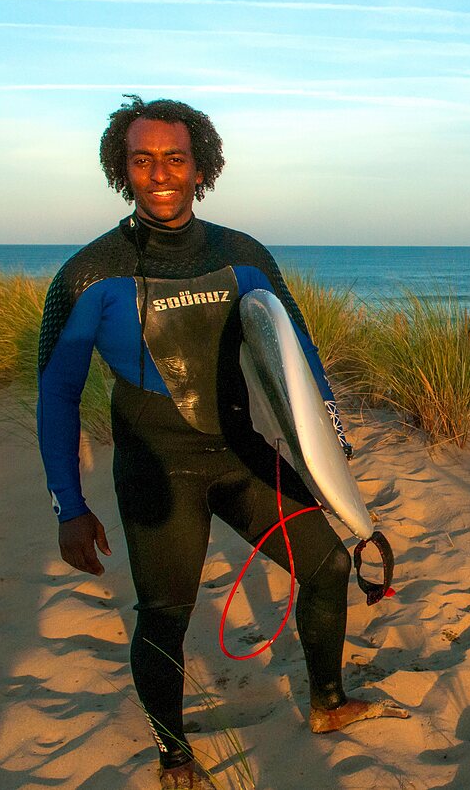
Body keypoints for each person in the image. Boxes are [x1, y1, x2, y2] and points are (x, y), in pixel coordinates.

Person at [36, 96, 407, 788]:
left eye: (175, 158)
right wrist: (68, 504)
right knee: (166, 614)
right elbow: (55, 395)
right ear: (123, 170)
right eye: (142, 160)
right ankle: (174, 753)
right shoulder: (90, 274)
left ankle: (327, 702)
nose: (160, 173)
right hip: (159, 468)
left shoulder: (244, 255)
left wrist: (327, 440)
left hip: (244, 451)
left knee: (326, 567)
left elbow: (298, 352)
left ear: (201, 166)